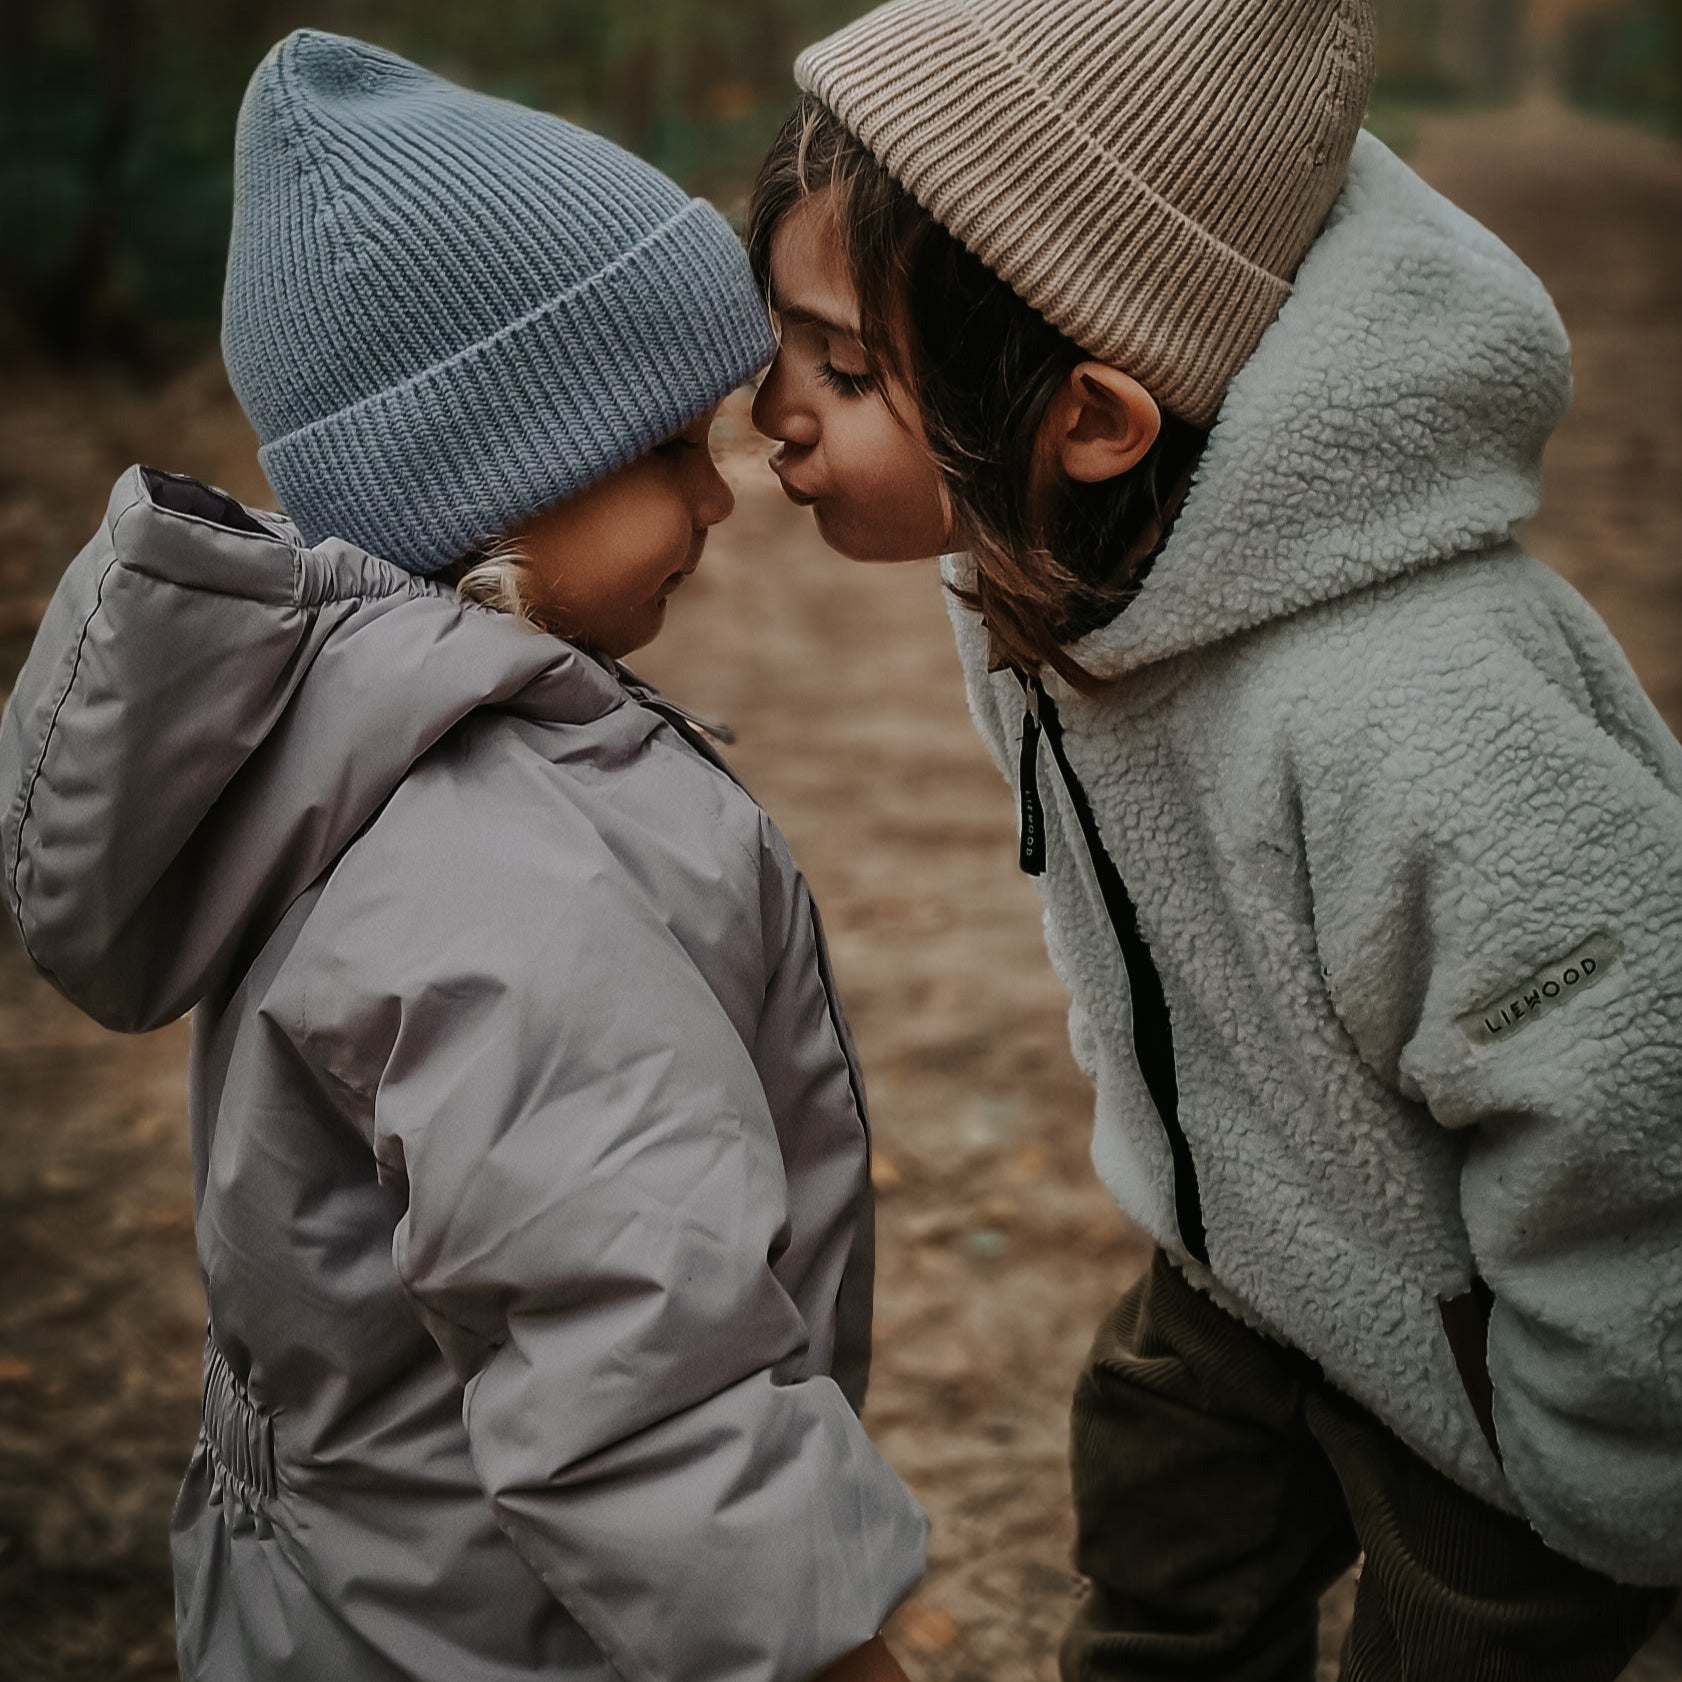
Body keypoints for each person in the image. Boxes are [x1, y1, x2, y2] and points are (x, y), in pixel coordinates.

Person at [744, 0, 1682, 1676]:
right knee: (1158, 1536)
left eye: (846, 367)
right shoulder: (1047, 569)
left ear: (1092, 421)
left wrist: (1602, 1452)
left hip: (1490, 1367)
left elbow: (1629, 1079)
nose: (775, 415)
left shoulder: (1409, 706)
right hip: (1252, 1249)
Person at [0, 31, 927, 1682]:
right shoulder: (497, 872)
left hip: (371, 1593)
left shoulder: (356, 747)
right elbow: (627, 1349)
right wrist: (825, 1647)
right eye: (658, 452)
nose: (717, 495)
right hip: (510, 1630)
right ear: (489, 493)